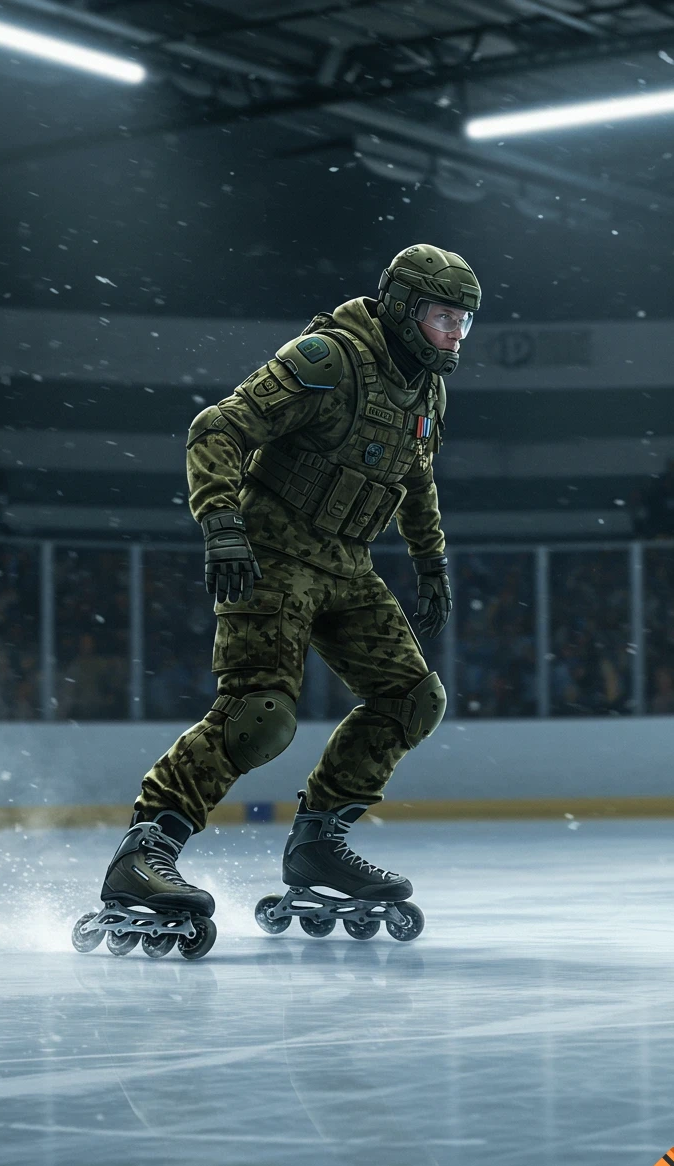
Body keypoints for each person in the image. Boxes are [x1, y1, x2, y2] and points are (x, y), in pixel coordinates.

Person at [74, 244, 481, 959]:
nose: (455, 335)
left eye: (463, 323)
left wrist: (431, 559)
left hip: (346, 565)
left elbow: (418, 479)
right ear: (401, 309)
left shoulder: (427, 388)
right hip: (271, 550)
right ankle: (145, 850)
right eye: (444, 318)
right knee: (262, 716)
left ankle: (319, 845)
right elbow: (218, 429)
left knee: (414, 698)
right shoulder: (327, 359)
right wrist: (223, 526)